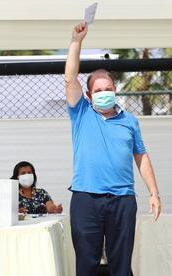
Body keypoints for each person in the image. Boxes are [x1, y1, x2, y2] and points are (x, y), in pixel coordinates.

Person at [65, 22, 162, 276]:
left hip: (123, 200)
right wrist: (76, 42)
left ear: (115, 90)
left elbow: (141, 156)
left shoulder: (130, 121)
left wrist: (154, 193)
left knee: (121, 265)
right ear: (88, 94)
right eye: (98, 90)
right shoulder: (81, 113)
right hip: (86, 198)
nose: (104, 93)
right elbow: (69, 78)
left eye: (108, 89)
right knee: (87, 263)